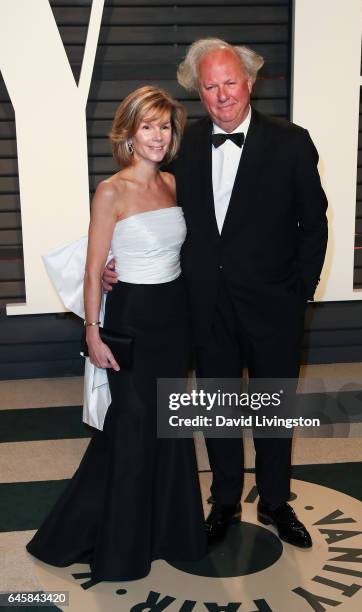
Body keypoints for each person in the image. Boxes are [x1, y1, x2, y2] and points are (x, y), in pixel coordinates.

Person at [103, 39, 328, 549]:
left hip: (274, 306)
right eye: (210, 86)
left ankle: (275, 501)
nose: (222, 94)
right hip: (203, 307)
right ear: (198, 91)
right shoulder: (182, 145)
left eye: (230, 83)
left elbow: (313, 226)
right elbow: (143, 204)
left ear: (250, 83)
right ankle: (224, 499)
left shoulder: (291, 142)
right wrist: (111, 261)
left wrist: (300, 294)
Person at [26, 86, 207, 581]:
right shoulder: (111, 190)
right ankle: (114, 548)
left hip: (173, 318)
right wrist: (93, 332)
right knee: (131, 427)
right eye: (146, 126)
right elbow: (91, 270)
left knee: (167, 426)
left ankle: (170, 532)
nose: (156, 135)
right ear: (128, 133)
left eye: (164, 126)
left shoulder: (172, 182)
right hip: (130, 319)